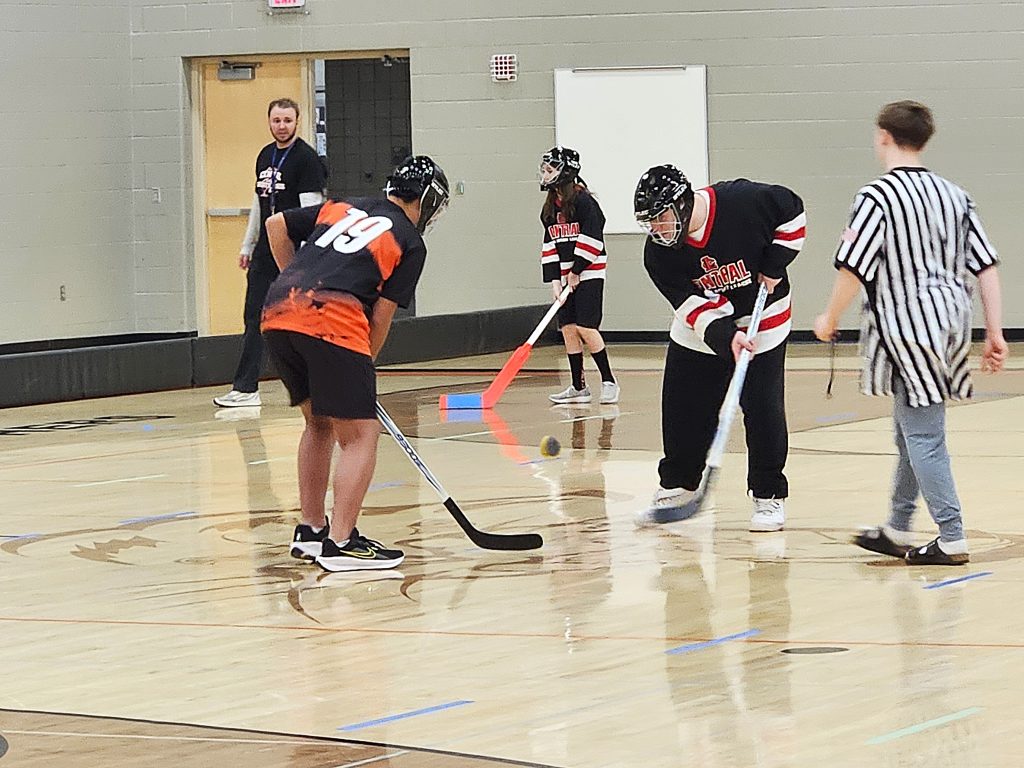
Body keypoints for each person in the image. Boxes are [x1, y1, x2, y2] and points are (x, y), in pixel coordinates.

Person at [814, 100, 1007, 565]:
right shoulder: (955, 195)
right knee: (910, 429)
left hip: (907, 325)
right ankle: (899, 527)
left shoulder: (876, 197)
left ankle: (952, 535)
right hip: (951, 323)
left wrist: (829, 316)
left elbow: (852, 267)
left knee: (924, 435)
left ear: (883, 135)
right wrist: (994, 331)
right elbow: (985, 267)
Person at [260, 156, 449, 572]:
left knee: (318, 423)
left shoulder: (344, 206)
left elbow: (276, 226)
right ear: (428, 201)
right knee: (361, 433)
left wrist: (296, 279)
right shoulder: (411, 241)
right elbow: (379, 317)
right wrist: (365, 364)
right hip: (332, 320)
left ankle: (311, 531)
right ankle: (341, 541)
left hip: (278, 311)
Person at [634, 165, 805, 532]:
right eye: (649, 223)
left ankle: (769, 496)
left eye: (660, 218)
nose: (656, 229)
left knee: (763, 409)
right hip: (703, 330)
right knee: (683, 408)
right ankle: (677, 486)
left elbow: (792, 211)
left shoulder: (743, 201)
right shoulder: (658, 254)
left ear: (681, 204)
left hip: (764, 320)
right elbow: (691, 306)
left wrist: (776, 262)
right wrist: (726, 337)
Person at [214, 98, 327, 408]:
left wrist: (307, 257)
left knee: (301, 318)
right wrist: (247, 245)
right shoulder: (265, 156)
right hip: (264, 253)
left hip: (293, 254)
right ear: (269, 122)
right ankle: (246, 388)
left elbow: (312, 211)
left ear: (297, 121)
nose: (281, 126)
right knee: (254, 316)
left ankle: (319, 382)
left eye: (287, 121)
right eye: (276, 120)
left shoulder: (306, 160)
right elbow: (258, 205)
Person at [539, 146, 619, 405]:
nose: (545, 174)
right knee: (568, 329)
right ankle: (578, 387)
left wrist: (577, 271)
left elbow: (593, 239)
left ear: (565, 172)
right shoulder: (550, 207)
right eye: (544, 170)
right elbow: (550, 244)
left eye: (550, 169)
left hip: (590, 272)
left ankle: (609, 381)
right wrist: (555, 279)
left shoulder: (585, 202)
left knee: (586, 326)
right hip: (566, 277)